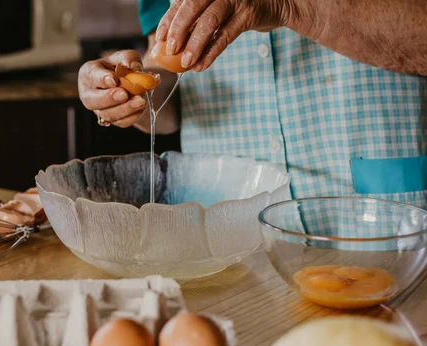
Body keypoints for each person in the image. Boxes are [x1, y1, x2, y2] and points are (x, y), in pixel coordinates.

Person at [78, 0, 427, 208]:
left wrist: (290, 6)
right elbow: (172, 76)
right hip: (231, 232)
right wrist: (126, 90)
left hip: (384, 222)